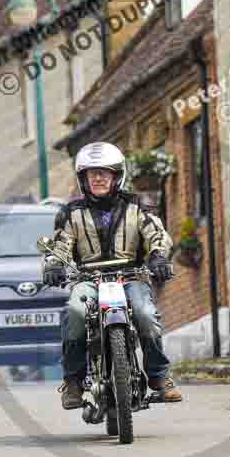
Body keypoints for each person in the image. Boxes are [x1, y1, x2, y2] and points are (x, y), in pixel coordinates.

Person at [42, 142, 182, 409]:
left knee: (144, 312)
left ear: (117, 176)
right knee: (75, 311)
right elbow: (59, 246)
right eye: (91, 173)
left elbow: (157, 235)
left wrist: (158, 256)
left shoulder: (139, 205)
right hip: (88, 279)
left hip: (131, 276)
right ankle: (73, 381)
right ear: (82, 178)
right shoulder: (70, 213)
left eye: (104, 172)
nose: (97, 178)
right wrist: (53, 265)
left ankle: (159, 376)